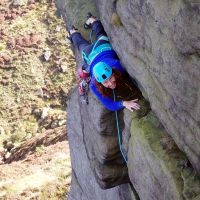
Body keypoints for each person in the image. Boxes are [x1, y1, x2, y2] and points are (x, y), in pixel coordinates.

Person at [68, 16, 142, 112]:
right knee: (97, 36)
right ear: (99, 82)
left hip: (100, 49)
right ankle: (87, 23)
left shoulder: (117, 65)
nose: (111, 83)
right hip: (93, 53)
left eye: (110, 78)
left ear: (113, 72)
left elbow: (110, 104)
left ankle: (74, 32)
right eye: (106, 82)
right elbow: (109, 105)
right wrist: (124, 103)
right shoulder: (93, 85)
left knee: (83, 44)